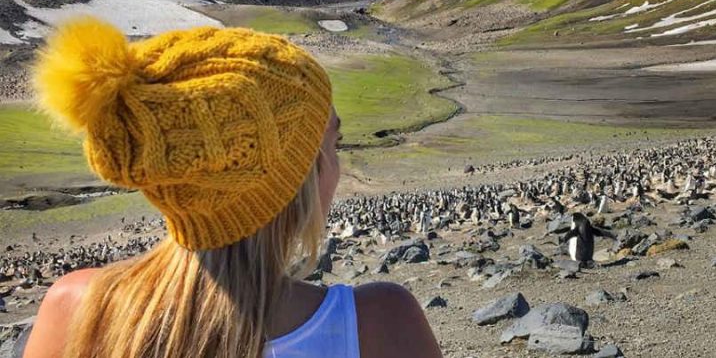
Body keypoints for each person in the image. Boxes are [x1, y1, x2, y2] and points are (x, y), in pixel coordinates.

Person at [23, 18, 443, 358]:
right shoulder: (381, 323)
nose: (339, 164)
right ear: (298, 178)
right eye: (333, 143)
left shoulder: (74, 307)